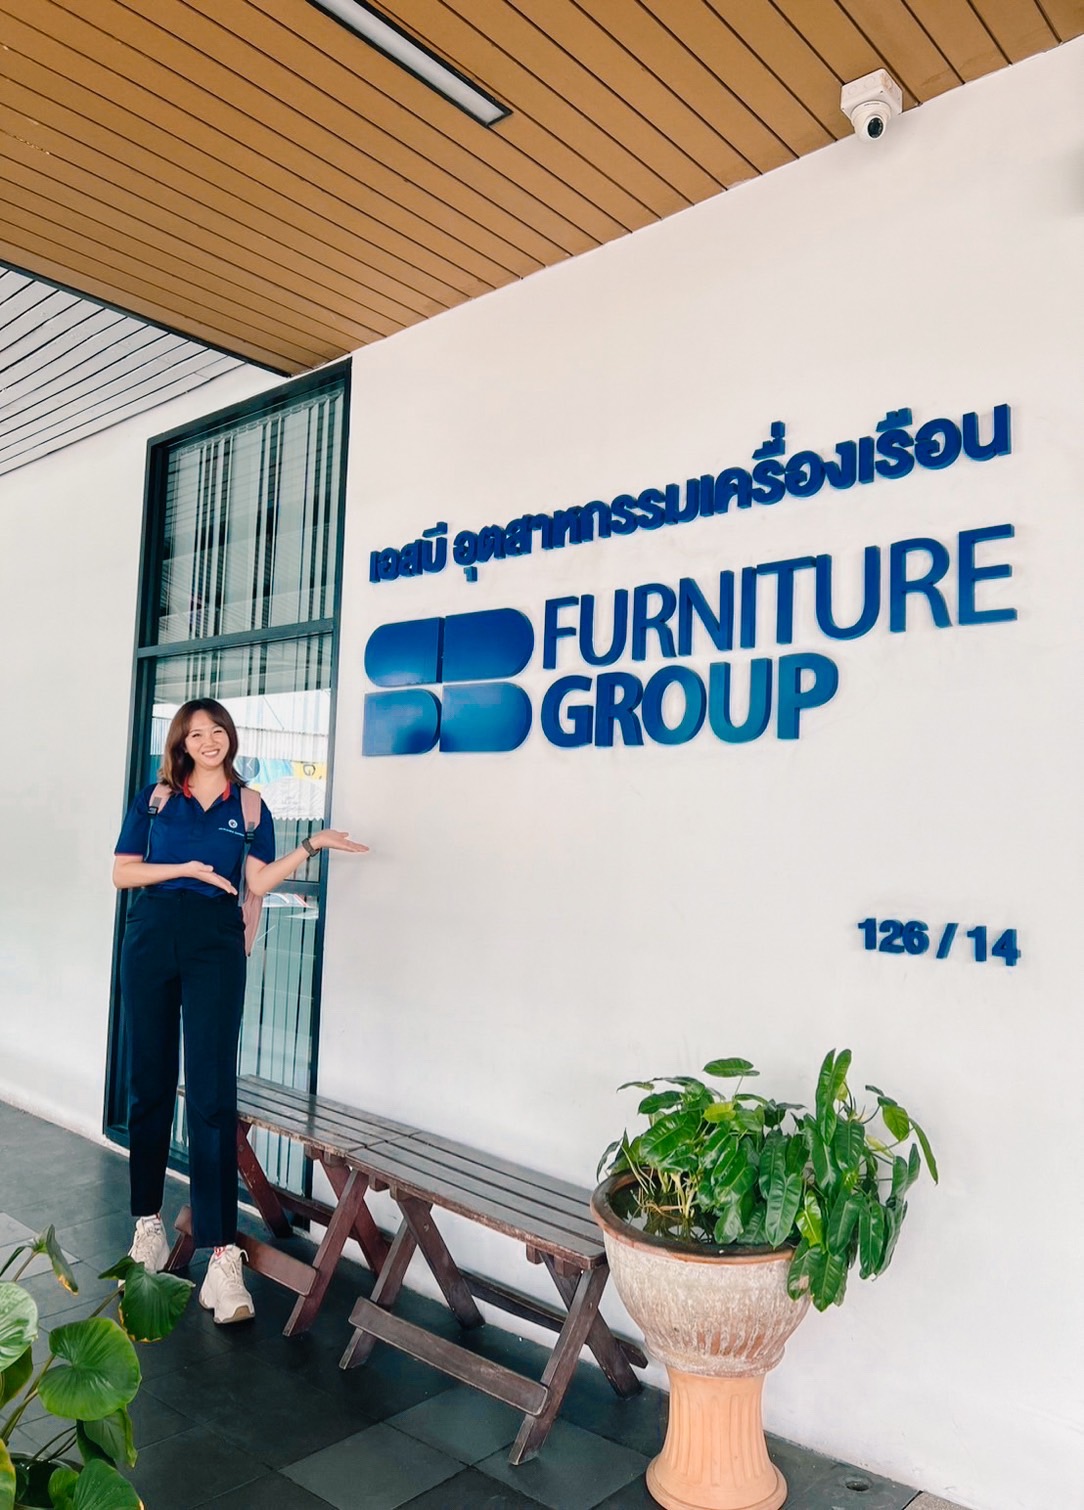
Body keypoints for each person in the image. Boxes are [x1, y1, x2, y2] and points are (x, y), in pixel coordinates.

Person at [112, 697, 367, 1322]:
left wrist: (311, 845)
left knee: (212, 1093)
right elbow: (123, 874)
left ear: (229, 736)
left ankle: (222, 1258)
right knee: (148, 1083)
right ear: (181, 742)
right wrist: (187, 868)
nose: (208, 741)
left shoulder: (250, 806)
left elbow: (256, 883)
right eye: (195, 733)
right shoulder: (156, 799)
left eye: (217, 730)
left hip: (215, 943)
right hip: (151, 934)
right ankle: (147, 1224)